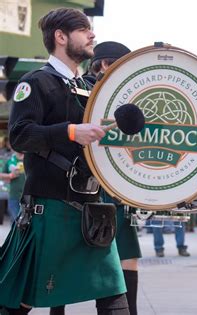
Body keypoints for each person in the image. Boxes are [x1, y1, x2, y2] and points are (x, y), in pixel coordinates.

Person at [0, 8, 128, 314]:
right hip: (51, 207)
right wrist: (71, 131)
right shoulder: (35, 83)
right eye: (84, 29)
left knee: (113, 294)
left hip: (92, 207)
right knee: (21, 300)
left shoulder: (91, 88)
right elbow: (19, 135)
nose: (92, 34)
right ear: (61, 36)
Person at [50, 40, 140, 315]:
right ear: (104, 64)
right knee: (63, 256)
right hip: (79, 186)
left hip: (115, 188)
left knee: (126, 257)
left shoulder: (124, 94)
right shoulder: (80, 90)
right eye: (120, 65)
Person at [0, 151, 25, 220]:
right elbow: (1, 175)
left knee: (25, 221)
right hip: (14, 196)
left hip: (27, 196)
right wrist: (10, 175)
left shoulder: (29, 160)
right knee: (15, 220)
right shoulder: (10, 160)